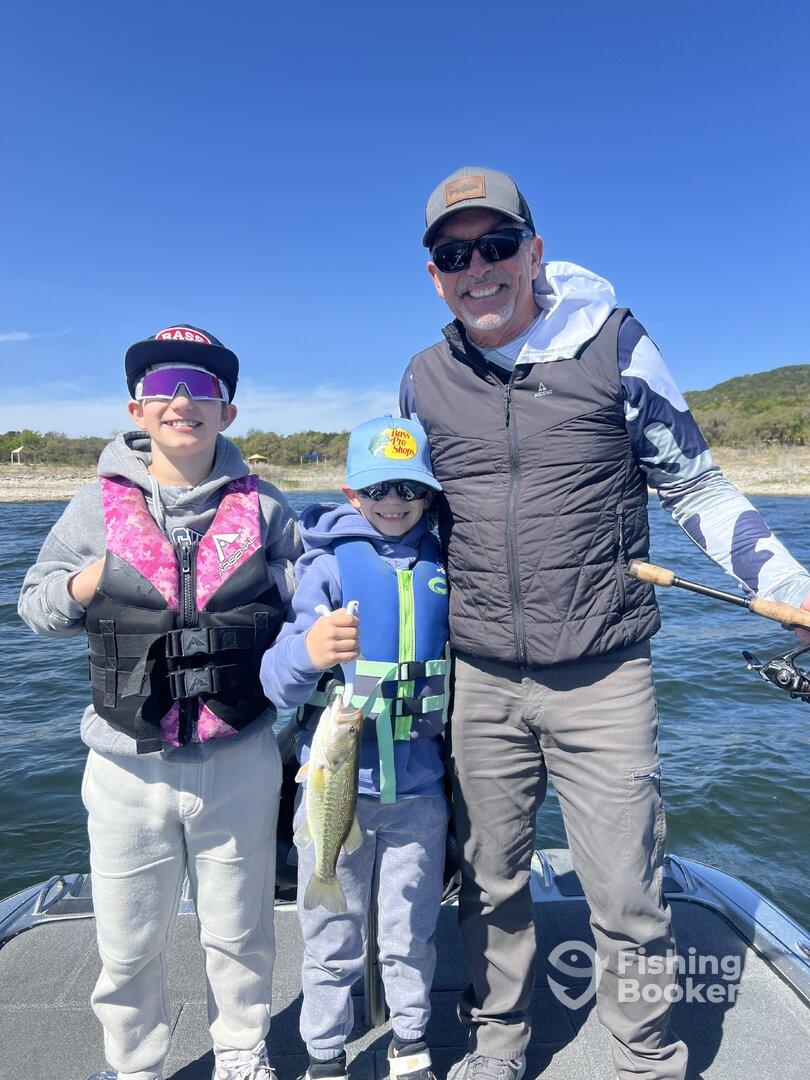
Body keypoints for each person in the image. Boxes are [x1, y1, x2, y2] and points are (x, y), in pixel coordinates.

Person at [399, 167, 810, 1080]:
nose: (477, 267)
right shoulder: (423, 378)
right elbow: (407, 523)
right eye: (452, 254)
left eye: (496, 245)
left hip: (604, 671)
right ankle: (499, 1045)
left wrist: (788, 581)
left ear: (534, 251)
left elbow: (695, 484)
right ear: (434, 274)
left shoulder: (614, 343)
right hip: (478, 680)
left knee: (626, 889)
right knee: (490, 879)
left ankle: (645, 1059)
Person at [18, 324, 301, 1080]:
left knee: (241, 931)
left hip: (241, 755)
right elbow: (35, 608)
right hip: (124, 764)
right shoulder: (92, 505)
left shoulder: (268, 510)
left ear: (228, 413)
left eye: (203, 386)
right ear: (135, 410)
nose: (183, 400)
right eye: (164, 386)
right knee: (128, 939)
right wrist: (90, 580)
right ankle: (135, 1065)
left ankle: (243, 1052)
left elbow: (318, 601)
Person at [261, 415, 450, 1080]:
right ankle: (323, 1053)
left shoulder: (444, 563)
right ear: (350, 494)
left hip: (421, 792)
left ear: (429, 494)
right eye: (377, 489)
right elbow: (278, 682)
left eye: (408, 487)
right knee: (330, 936)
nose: (394, 501)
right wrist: (309, 653)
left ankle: (411, 1040)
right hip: (336, 786)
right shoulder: (326, 569)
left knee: (410, 932)